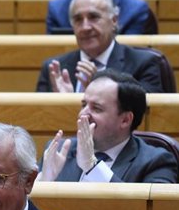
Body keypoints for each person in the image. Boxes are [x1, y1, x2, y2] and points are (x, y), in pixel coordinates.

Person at [38, 70, 178, 183]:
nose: (83, 114)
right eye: (84, 105)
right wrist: (42, 185)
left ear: (125, 120)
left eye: (97, 108)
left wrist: (93, 168)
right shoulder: (59, 151)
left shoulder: (156, 162)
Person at [37, 0, 163, 93]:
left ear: (114, 21)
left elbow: (146, 118)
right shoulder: (53, 70)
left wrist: (99, 92)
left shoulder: (144, 65)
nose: (85, 27)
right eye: (78, 19)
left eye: (93, 17)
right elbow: (38, 118)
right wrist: (65, 105)